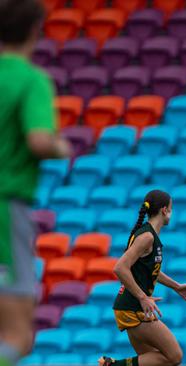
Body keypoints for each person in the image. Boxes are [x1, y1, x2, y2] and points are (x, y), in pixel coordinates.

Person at [0, 0, 72, 364]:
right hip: (5, 208)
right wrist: (62, 147)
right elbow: (39, 140)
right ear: (34, 31)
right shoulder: (31, 80)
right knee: (16, 337)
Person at [99, 190, 186, 366]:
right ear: (164, 210)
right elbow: (120, 268)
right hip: (132, 308)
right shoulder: (147, 237)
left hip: (128, 307)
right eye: (171, 208)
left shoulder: (150, 235)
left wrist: (176, 286)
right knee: (175, 356)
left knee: (155, 362)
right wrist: (143, 297)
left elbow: (150, 270)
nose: (171, 213)